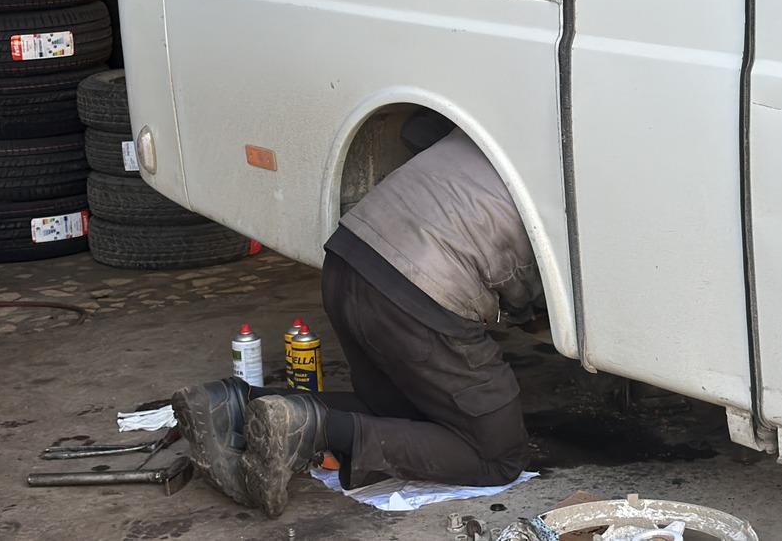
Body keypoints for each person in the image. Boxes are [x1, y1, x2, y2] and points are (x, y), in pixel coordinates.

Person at [171, 120, 542, 517]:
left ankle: (232, 403)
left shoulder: (507, 118)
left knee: (399, 416)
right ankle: (313, 430)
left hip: (349, 257)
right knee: (497, 457)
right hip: (419, 290)